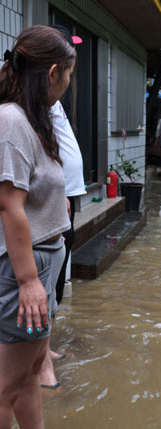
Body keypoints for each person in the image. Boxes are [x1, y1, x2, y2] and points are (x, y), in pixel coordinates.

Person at [0, 25, 76, 428]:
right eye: (68, 73)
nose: (68, 83)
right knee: (5, 388)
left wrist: (52, 203)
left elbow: (26, 189)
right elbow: (9, 205)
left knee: (30, 373)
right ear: (52, 73)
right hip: (24, 271)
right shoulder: (11, 119)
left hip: (45, 259)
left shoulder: (33, 118)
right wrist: (29, 282)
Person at [38, 25, 86, 389]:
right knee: (44, 278)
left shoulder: (49, 101)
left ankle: (44, 349)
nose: (72, 77)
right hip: (54, 199)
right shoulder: (28, 104)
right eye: (69, 69)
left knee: (56, 274)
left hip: (66, 195)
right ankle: (38, 363)